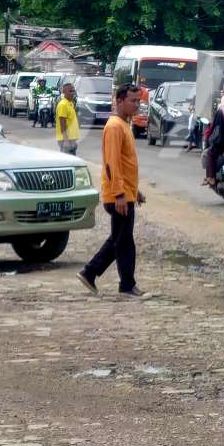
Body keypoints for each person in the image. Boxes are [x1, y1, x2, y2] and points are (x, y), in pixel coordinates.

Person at [77, 83, 148, 298]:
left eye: (138, 101)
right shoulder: (115, 126)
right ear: (119, 101)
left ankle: (92, 274)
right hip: (117, 196)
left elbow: (126, 165)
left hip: (125, 193)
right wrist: (119, 194)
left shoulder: (124, 125)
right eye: (132, 101)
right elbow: (112, 164)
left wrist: (135, 191)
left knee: (120, 240)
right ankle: (123, 283)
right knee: (123, 242)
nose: (136, 105)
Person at [56, 81, 80, 155]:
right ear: (64, 92)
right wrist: (66, 140)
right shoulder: (63, 105)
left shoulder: (70, 103)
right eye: (70, 91)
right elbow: (62, 123)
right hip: (66, 140)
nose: (73, 93)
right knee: (68, 162)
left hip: (71, 139)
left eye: (73, 91)